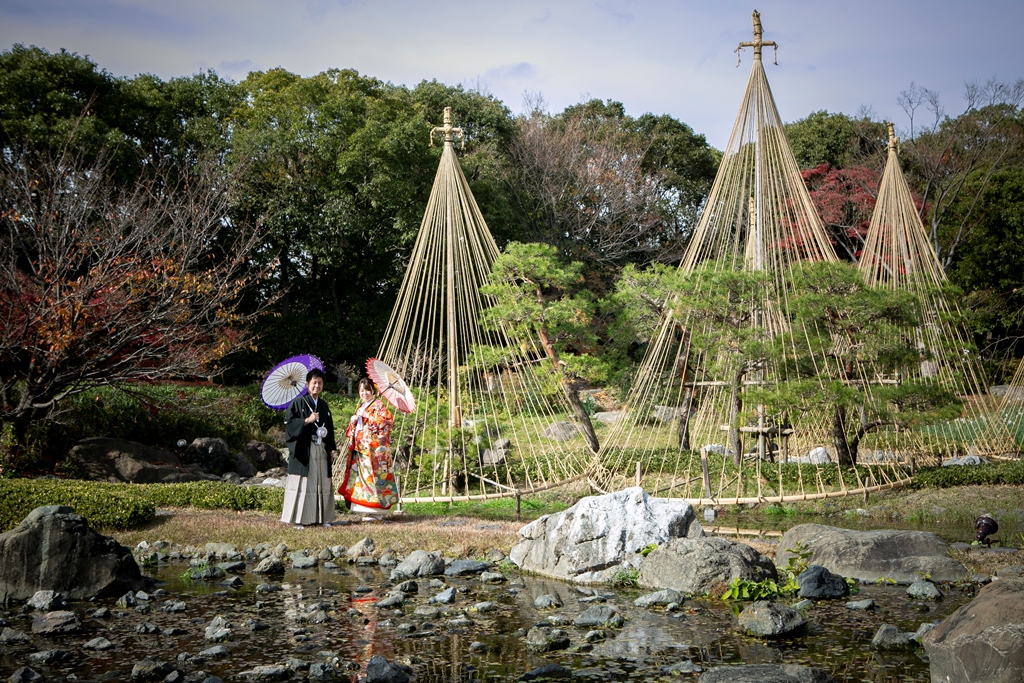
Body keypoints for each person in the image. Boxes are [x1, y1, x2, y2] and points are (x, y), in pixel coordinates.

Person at [281, 368, 337, 527]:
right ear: (307, 384)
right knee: (304, 483)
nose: (317, 386)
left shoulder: (324, 405)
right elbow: (289, 425)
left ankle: (321, 518)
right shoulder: (298, 403)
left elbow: (330, 428)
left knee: (321, 482)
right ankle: (299, 519)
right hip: (305, 448)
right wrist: (307, 420)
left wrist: (331, 448)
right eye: (314, 383)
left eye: (320, 383)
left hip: (321, 447)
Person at [339, 377, 398, 521]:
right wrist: (353, 422)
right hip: (361, 451)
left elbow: (386, 423)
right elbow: (353, 431)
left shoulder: (378, 405)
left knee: (376, 479)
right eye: (361, 390)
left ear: (373, 390)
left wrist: (367, 416)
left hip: (375, 452)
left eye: (367, 390)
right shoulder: (362, 406)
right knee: (363, 480)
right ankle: (367, 509)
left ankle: (377, 510)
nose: (364, 393)